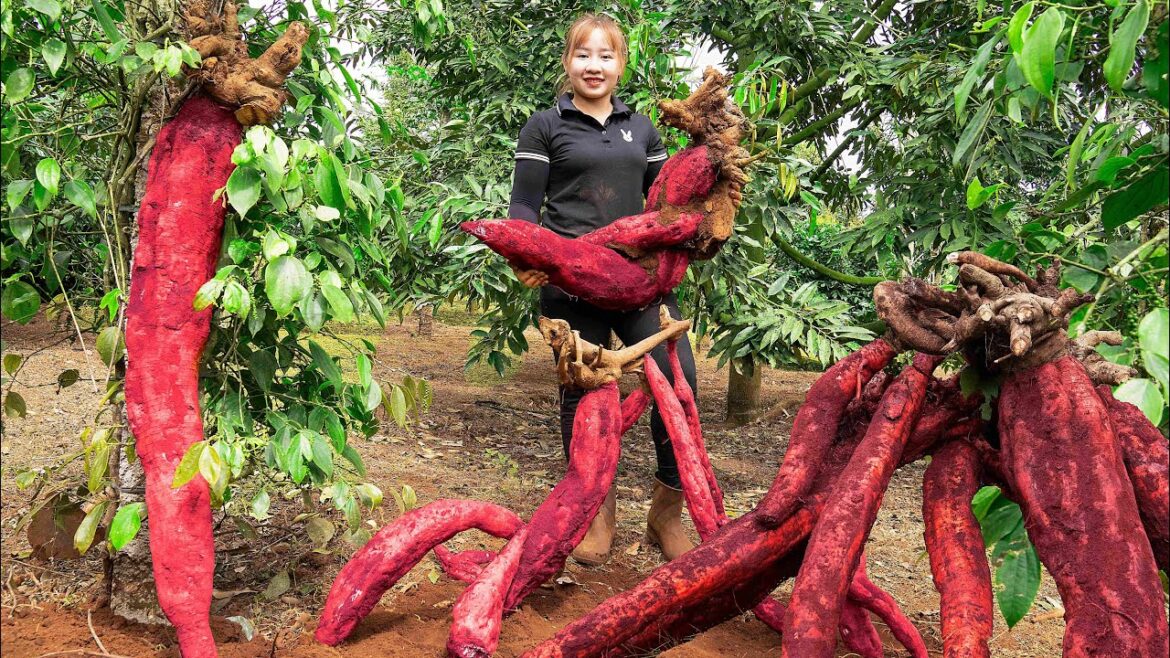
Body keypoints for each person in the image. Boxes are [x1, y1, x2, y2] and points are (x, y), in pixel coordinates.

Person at [506, 12, 698, 565]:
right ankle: (596, 513)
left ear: (621, 65)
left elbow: (667, 204)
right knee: (585, 393)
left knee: (678, 381)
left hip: (639, 281)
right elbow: (525, 204)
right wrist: (524, 255)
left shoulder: (644, 130)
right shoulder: (545, 126)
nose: (594, 65)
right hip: (570, 283)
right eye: (583, 54)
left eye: (606, 55)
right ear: (568, 62)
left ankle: (666, 514)